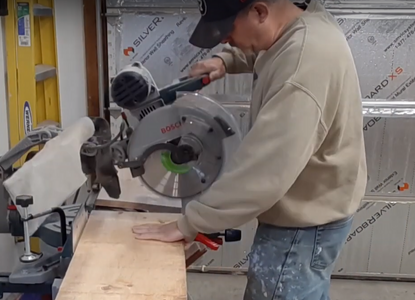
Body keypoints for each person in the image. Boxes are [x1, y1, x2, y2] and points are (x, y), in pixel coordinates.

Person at [132, 0, 367, 299]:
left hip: (302, 226)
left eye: (227, 29)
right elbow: (270, 45)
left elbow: (265, 169)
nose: (224, 38)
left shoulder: (303, 66)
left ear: (259, 11)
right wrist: (225, 61)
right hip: (317, 208)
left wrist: (190, 222)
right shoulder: (304, 21)